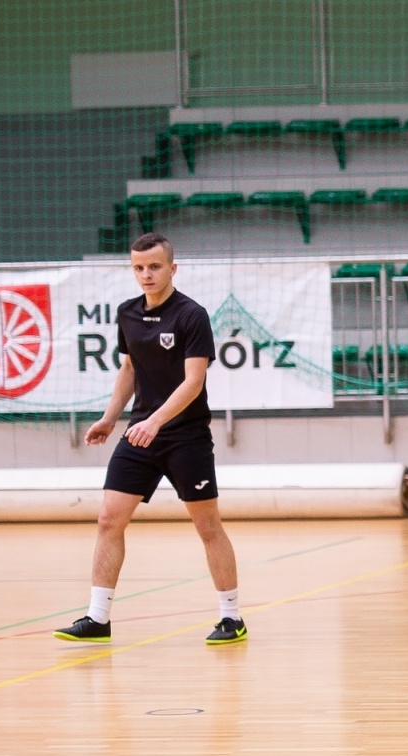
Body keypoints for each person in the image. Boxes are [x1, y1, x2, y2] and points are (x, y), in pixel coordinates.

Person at [55, 232, 245, 647]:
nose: (146, 274)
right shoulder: (127, 313)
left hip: (185, 436)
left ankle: (231, 617)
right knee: (108, 520)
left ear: (172, 269)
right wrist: (109, 419)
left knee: (207, 526)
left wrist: (156, 421)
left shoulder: (191, 316)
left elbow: (193, 382)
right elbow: (129, 370)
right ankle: (98, 617)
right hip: (140, 433)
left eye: (154, 267)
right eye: (139, 268)